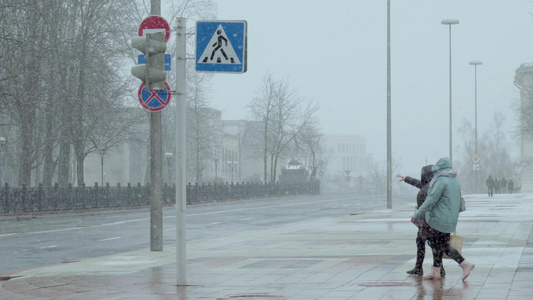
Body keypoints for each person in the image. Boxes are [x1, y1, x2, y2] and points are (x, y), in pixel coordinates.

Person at [412, 157, 475, 281]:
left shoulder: (441, 181)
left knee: (442, 246)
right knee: (437, 244)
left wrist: (418, 214)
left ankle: (465, 264)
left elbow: (431, 199)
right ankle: (436, 271)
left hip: (438, 219)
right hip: (450, 218)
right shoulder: (454, 180)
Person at [397, 165, 445, 277]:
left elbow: (428, 206)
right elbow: (418, 183)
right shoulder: (432, 185)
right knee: (432, 244)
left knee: (426, 244)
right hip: (428, 222)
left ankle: (425, 268)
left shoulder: (429, 188)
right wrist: (406, 178)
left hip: (427, 222)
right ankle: (436, 268)